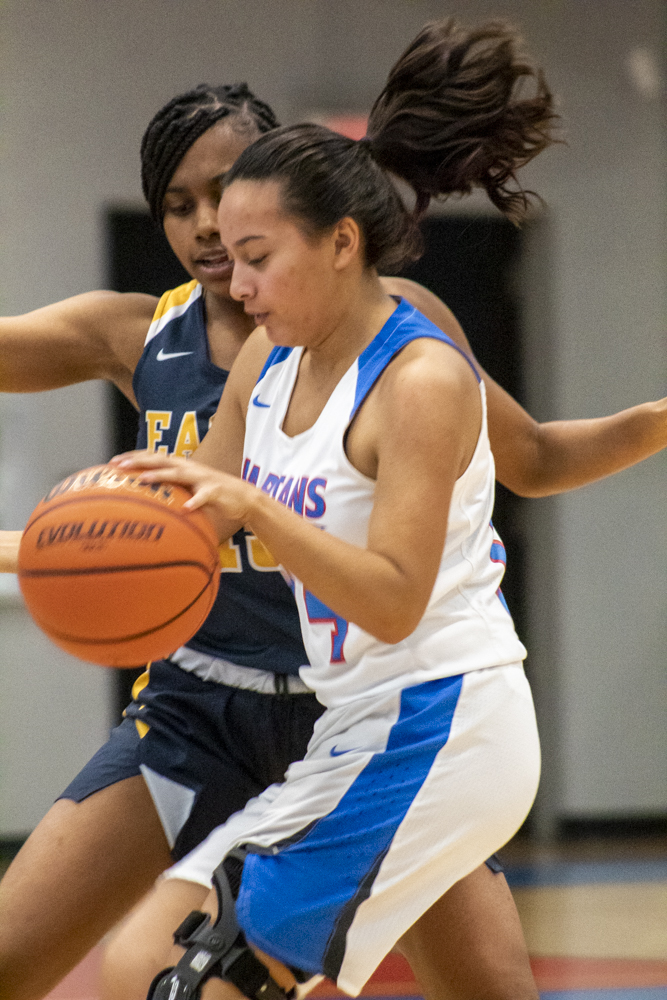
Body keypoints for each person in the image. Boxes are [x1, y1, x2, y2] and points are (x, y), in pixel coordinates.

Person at [1, 28, 666, 1000]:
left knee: (479, 985)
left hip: (370, 709)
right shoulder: (179, 343)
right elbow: (173, 523)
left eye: (230, 206)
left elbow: (525, 458)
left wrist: (652, 420)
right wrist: (43, 545)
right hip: (200, 707)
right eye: (182, 209)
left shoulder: (406, 347)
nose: (210, 236)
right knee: (111, 965)